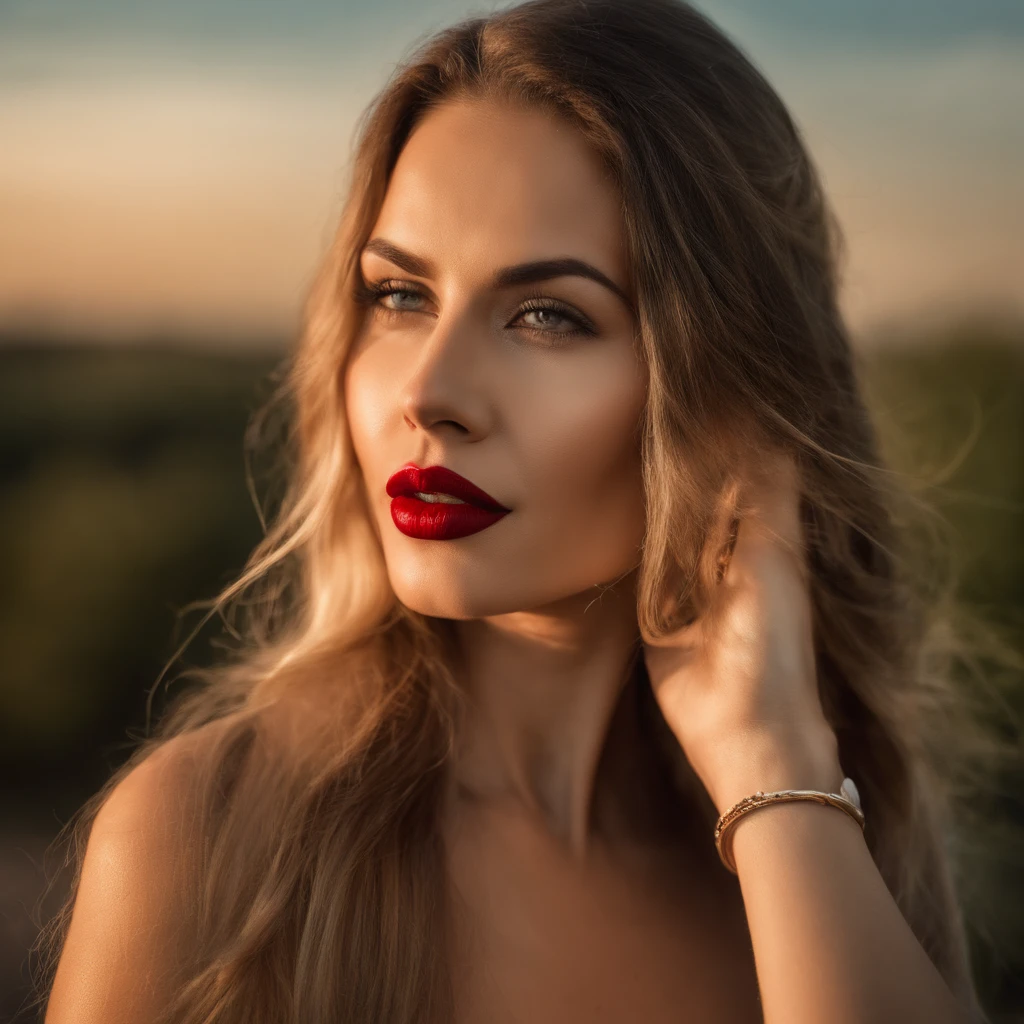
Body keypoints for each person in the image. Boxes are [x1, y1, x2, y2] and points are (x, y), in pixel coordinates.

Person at [39, 0, 989, 1020]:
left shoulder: (837, 841)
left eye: (547, 315)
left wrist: (777, 771)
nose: (430, 390)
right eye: (399, 295)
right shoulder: (210, 845)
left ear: (734, 404)